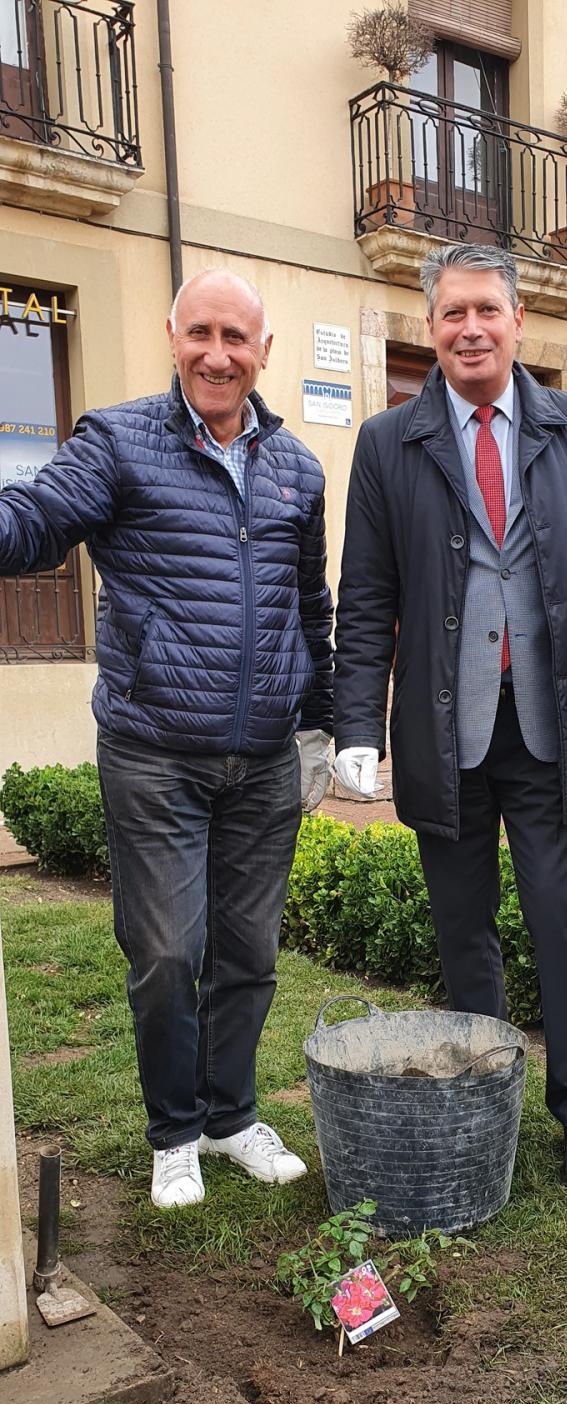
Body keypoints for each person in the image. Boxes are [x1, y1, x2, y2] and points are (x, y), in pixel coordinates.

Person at [0, 269, 334, 1209]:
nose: (217, 355)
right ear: (172, 335)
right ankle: (175, 1133)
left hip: (264, 761)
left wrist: (322, 723)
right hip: (154, 755)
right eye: (200, 334)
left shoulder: (297, 468)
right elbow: (35, 521)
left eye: (236, 338)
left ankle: (230, 1117)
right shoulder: (118, 441)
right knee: (166, 956)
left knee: (249, 956)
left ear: (263, 351)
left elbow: (311, 606)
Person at [333, 242, 567, 1186]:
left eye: (487, 311)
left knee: (561, 918)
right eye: (452, 313)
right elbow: (366, 597)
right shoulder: (388, 443)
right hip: (444, 728)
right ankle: (485, 1102)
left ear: (518, 321)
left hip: (550, 721)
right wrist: (357, 726)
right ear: (431, 326)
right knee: (462, 926)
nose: (470, 329)